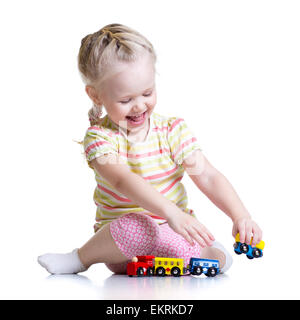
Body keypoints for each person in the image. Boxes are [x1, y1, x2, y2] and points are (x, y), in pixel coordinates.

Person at [38, 23, 262, 275]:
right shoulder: (100, 138)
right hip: (123, 244)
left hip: (173, 231)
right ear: (96, 95)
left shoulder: (172, 131)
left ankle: (196, 256)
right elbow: (123, 180)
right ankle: (80, 258)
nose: (138, 106)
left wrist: (240, 215)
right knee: (139, 225)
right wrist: (171, 212)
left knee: (215, 258)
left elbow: (208, 175)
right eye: (125, 100)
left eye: (147, 93)